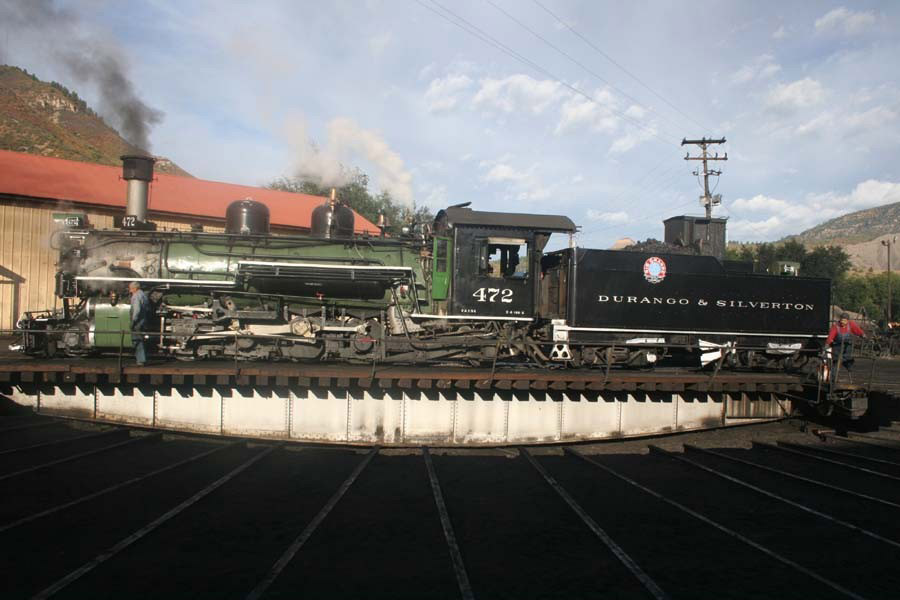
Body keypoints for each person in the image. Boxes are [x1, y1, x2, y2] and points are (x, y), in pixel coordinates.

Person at [825, 312, 865, 379]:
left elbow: (857, 330)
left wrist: (862, 335)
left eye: (844, 321)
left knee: (848, 359)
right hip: (837, 346)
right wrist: (827, 344)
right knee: (836, 362)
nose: (842, 322)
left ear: (847, 320)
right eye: (842, 320)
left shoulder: (851, 324)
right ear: (840, 320)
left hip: (847, 346)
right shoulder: (836, 326)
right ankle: (833, 379)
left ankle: (847, 365)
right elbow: (830, 336)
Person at [129, 281, 152, 365]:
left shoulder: (136, 296)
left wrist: (133, 320)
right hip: (143, 319)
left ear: (135, 288)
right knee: (140, 339)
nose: (130, 291)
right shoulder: (143, 294)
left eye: (130, 289)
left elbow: (137, 310)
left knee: (137, 340)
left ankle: (140, 360)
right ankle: (141, 359)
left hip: (138, 321)